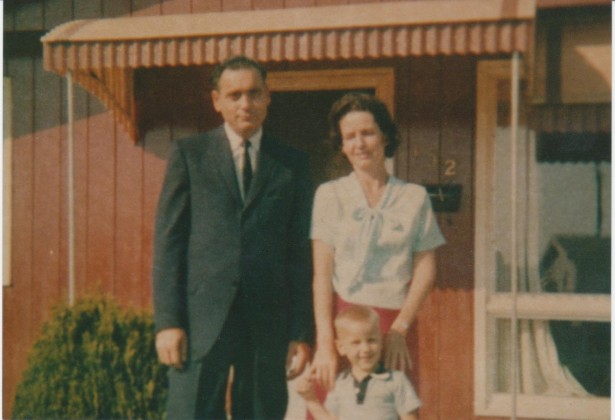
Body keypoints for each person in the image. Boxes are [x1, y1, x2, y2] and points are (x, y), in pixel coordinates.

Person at [152, 55, 313, 419]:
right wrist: (169, 322)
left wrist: (300, 331)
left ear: (268, 97)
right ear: (217, 101)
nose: (246, 104)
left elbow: (299, 253)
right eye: (235, 94)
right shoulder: (189, 155)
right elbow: (169, 243)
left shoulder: (291, 163)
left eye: (254, 93)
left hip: (267, 322)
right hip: (201, 319)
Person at [310, 92, 446, 393]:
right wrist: (325, 344)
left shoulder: (414, 197)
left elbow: (425, 271)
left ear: (385, 136)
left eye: (367, 133)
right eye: (350, 136)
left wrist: (400, 327)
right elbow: (321, 277)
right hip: (344, 326)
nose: (359, 144)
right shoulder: (329, 195)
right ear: (342, 145)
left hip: (395, 324)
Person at [297, 305, 420, 420]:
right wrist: (310, 399)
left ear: (382, 341)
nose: (365, 349)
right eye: (356, 343)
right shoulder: (339, 384)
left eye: (371, 340)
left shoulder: (396, 380)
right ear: (340, 347)